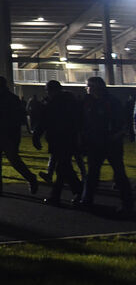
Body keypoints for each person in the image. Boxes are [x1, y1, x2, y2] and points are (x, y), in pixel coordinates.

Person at [79, 76, 133, 214]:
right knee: (93, 173)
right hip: (96, 142)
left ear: (96, 87)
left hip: (110, 142)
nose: (87, 88)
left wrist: (115, 135)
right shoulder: (88, 102)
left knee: (118, 173)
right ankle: (86, 200)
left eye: (89, 86)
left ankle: (127, 204)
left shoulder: (110, 102)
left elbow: (121, 121)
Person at [0, 75, 39, 196]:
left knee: (14, 160)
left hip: (7, 135)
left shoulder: (9, 99)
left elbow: (16, 118)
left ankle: (30, 178)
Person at [34, 80, 82, 207]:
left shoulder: (53, 103)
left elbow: (44, 121)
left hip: (59, 139)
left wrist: (36, 136)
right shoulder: (70, 102)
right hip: (67, 139)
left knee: (62, 168)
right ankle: (77, 192)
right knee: (64, 168)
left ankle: (58, 195)